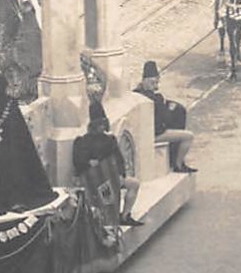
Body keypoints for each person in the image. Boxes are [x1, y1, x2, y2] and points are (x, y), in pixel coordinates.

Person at [0, 71, 54, 214]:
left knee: (14, 162)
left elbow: (19, 133)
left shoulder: (9, 104)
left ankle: (16, 200)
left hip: (9, 149)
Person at [74, 98, 142, 227]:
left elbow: (119, 159)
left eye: (103, 124)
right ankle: (108, 219)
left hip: (111, 177)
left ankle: (125, 215)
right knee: (106, 192)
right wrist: (90, 163)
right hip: (94, 179)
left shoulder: (110, 139)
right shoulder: (82, 141)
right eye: (99, 124)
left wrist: (121, 174)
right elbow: (78, 162)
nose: (101, 127)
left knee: (134, 184)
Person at [133, 61, 195, 173]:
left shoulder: (135, 94)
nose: (155, 86)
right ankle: (178, 164)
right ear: (145, 81)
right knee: (188, 136)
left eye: (156, 83)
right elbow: (165, 119)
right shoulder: (156, 98)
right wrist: (170, 108)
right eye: (153, 83)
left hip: (141, 134)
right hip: (155, 135)